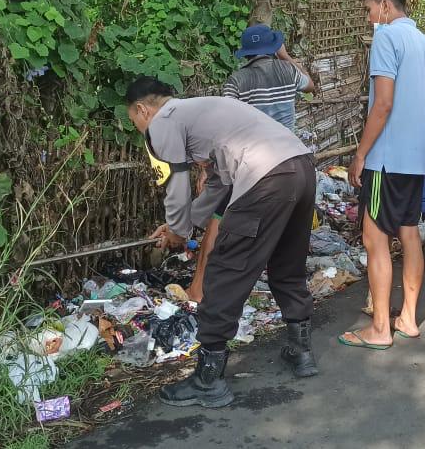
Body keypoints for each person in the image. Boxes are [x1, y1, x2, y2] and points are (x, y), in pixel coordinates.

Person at [129, 77, 319, 409]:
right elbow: (218, 186)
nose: (138, 130)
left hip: (265, 178)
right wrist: (187, 224)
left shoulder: (163, 122)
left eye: (134, 121)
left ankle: (208, 379)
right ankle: (301, 352)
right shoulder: (203, 111)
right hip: (301, 169)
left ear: (143, 110)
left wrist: (177, 229)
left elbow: (175, 181)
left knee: (225, 272)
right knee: (287, 265)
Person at [340, 0, 425, 350]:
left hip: (386, 159)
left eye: (369, 9)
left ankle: (380, 328)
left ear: (384, 5)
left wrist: (361, 153)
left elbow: (382, 104)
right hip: (415, 160)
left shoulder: (387, 37)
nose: (369, 19)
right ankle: (409, 319)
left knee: (374, 237)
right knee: (409, 233)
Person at [187, 25, 317, 303]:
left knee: (218, 222)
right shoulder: (288, 73)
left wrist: (208, 170)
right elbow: (311, 85)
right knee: (286, 233)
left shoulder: (237, 81)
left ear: (245, 53)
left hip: (249, 166)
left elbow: (221, 126)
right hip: (288, 166)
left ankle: (198, 288)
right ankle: (286, 299)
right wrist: (286, 55)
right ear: (273, 48)